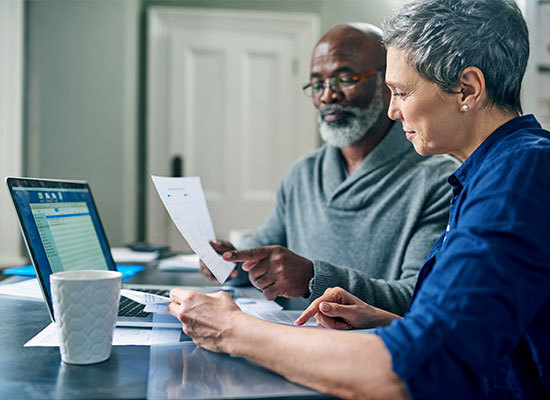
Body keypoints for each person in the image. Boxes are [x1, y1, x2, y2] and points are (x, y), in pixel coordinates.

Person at [169, 0, 550, 398]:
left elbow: (414, 369)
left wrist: (233, 330)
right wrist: (381, 320)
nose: (393, 110)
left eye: (401, 92)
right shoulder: (491, 171)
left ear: (467, 89)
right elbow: (476, 334)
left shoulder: (518, 176)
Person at [200, 23, 459, 315]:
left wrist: (313, 279)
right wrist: (231, 260)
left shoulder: (439, 180)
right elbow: (264, 258)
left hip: (366, 353)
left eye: (344, 78)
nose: (326, 96)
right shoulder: (303, 175)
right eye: (317, 84)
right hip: (286, 341)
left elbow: (417, 295)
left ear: (388, 82)